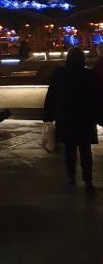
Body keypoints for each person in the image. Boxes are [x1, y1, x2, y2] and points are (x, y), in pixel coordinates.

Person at [42, 46, 98, 190]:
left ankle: (71, 177)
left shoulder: (59, 74)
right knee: (85, 149)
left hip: (65, 116)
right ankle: (88, 179)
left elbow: (51, 95)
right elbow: (95, 98)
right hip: (84, 117)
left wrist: (47, 114)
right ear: (82, 59)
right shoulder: (88, 75)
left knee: (69, 148)